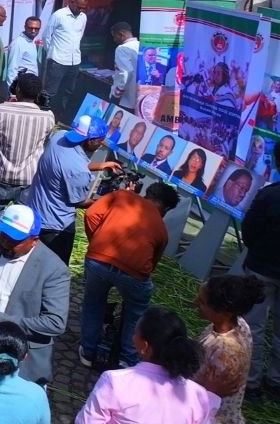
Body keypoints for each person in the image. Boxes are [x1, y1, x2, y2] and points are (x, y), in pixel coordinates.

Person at [0, 204, 69, 386]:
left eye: (14, 240)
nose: (5, 243)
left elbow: (55, 322)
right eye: (4, 235)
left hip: (22, 364)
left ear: (34, 240)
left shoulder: (54, 270)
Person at [79, 180, 179, 368]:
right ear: (165, 208)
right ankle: (127, 359)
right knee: (136, 313)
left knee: (94, 303)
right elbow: (152, 264)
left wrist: (96, 240)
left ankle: (88, 350)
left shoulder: (122, 196)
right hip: (134, 274)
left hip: (98, 260)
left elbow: (91, 214)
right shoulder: (161, 229)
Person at [76, 307, 221, 423]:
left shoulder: (115, 381)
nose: (133, 338)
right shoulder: (198, 396)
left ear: (145, 347)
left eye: (135, 334)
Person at [23, 114, 122, 264]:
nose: (101, 144)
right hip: (55, 227)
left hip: (34, 212)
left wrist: (100, 166)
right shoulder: (78, 170)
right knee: (54, 270)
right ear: (91, 140)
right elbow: (80, 201)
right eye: (101, 140)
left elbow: (66, 169)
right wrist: (110, 199)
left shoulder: (59, 137)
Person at [0, 73, 57, 246]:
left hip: (2, 175)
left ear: (17, 90)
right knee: (21, 220)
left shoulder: (2, 110)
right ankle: (12, 247)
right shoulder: (48, 116)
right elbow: (47, 137)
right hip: (28, 178)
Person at [196, 275, 266, 423]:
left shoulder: (223, 349)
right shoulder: (239, 324)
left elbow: (208, 391)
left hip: (211, 415)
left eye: (202, 302)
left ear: (224, 311)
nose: (195, 303)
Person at [242, 174, 280, 398]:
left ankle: (251, 383)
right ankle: (276, 382)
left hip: (261, 269)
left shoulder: (270, 194)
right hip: (262, 268)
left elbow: (250, 230)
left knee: (253, 327)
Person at [42, 0, 88, 117]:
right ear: (71, 2)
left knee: (67, 91)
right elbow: (46, 36)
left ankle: (58, 116)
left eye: (83, 7)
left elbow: (79, 35)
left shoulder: (83, 17)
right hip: (58, 60)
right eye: (79, 6)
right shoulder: (59, 15)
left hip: (74, 61)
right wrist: (52, 53)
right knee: (51, 91)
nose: (81, 9)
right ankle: (43, 116)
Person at [5, 17, 43, 89]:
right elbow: (12, 69)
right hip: (22, 86)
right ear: (25, 27)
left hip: (31, 84)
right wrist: (12, 93)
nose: (33, 31)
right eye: (30, 28)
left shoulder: (31, 42)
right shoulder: (18, 43)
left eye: (36, 28)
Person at [111, 21, 141, 108]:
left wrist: (116, 94)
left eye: (114, 36)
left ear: (121, 34)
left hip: (125, 99)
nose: (114, 40)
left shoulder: (122, 49)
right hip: (138, 95)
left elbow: (126, 73)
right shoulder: (140, 45)